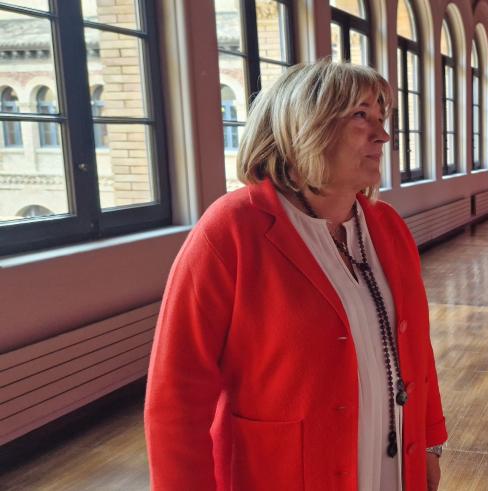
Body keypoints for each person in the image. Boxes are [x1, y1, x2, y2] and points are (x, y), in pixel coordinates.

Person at [145, 60, 447, 491]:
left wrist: (431, 442)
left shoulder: (388, 227)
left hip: (390, 465)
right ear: (304, 126)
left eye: (383, 119)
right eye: (361, 116)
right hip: (283, 473)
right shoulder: (231, 230)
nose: (382, 135)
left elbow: (416, 347)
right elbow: (176, 397)